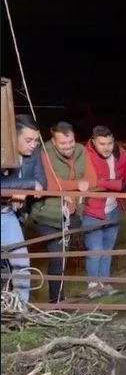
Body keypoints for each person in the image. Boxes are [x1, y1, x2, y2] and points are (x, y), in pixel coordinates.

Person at [30, 121, 97, 303]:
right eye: (63, 144)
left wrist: (70, 189)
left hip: (72, 212)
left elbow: (92, 179)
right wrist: (76, 186)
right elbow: (47, 183)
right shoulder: (44, 153)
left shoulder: (81, 151)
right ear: (53, 140)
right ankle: (56, 301)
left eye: (71, 142)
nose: (68, 147)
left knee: (67, 255)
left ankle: (63, 296)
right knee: (57, 256)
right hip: (47, 215)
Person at [82, 125, 126, 299]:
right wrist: (123, 186)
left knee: (107, 248)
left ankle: (104, 282)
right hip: (91, 210)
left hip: (113, 208)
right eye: (102, 144)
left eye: (110, 143)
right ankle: (93, 286)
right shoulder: (86, 155)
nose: (107, 147)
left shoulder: (119, 152)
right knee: (95, 249)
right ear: (93, 141)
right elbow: (95, 181)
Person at [1, 115, 46, 302]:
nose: (33, 144)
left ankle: (20, 310)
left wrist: (21, 193)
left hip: (7, 214)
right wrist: (23, 187)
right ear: (13, 138)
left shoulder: (34, 153)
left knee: (21, 261)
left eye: (36, 140)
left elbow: (41, 182)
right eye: (28, 140)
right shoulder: (3, 151)